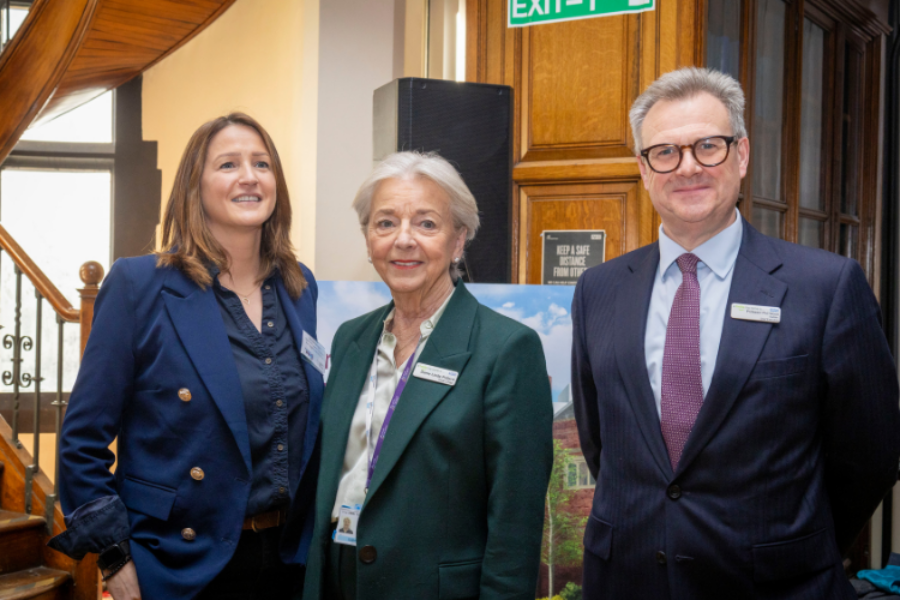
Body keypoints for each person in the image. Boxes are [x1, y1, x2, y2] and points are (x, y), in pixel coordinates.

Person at [571, 67, 900, 599]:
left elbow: (870, 455)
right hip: (628, 580)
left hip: (775, 584)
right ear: (643, 168)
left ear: (741, 155)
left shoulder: (826, 285)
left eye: (708, 146)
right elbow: (600, 445)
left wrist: (796, 542)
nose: (688, 167)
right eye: (666, 152)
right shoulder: (599, 290)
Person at [49, 113, 324, 600]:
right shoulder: (139, 284)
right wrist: (115, 560)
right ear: (194, 185)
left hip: (289, 564)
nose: (249, 176)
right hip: (177, 565)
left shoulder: (299, 285)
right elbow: (81, 442)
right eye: (228, 164)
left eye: (262, 163)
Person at [301, 151, 553, 600]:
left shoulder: (506, 350)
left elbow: (515, 524)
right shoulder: (350, 340)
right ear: (367, 238)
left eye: (426, 223)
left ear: (458, 241)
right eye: (385, 223)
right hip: (338, 579)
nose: (403, 240)